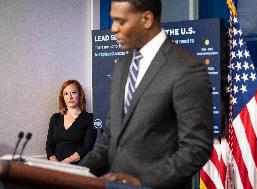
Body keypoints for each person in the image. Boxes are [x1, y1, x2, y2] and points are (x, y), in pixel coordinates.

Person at [80, 0, 213, 188]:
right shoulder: (121, 67)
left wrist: (143, 184)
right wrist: (76, 173)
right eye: (113, 21)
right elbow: (111, 135)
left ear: (147, 19)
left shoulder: (186, 68)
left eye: (121, 21)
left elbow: (196, 148)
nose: (113, 29)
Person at [46, 80, 96, 164]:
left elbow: (87, 147)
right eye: (66, 94)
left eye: (73, 92)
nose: (70, 97)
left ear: (80, 95)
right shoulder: (55, 118)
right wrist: (55, 164)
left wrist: (65, 163)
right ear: (63, 98)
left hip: (78, 166)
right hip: (55, 166)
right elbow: (49, 146)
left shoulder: (90, 118)